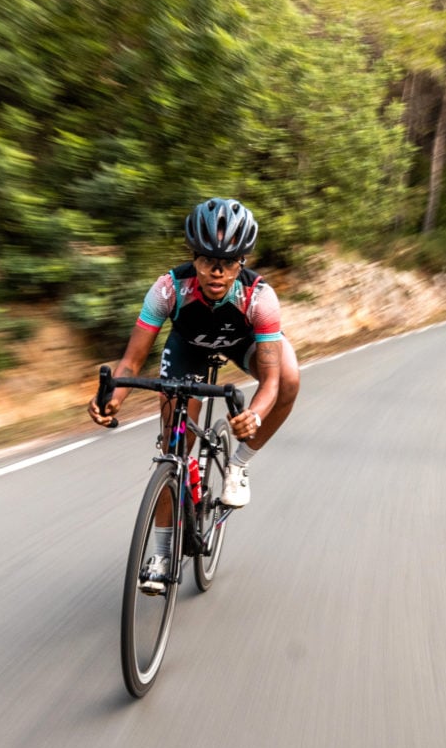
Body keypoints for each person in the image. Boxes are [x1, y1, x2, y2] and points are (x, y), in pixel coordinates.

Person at [87, 198, 300, 590]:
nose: (217, 272)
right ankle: (163, 552)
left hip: (244, 343)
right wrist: (112, 398)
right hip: (188, 349)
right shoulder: (168, 288)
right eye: (206, 259)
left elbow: (269, 381)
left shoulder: (260, 297)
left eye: (229, 261)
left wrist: (253, 414)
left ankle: (239, 464)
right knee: (173, 451)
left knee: (289, 377)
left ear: (243, 261)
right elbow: (131, 363)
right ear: (193, 257)